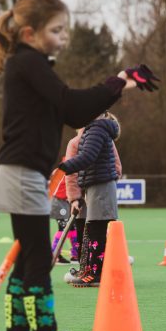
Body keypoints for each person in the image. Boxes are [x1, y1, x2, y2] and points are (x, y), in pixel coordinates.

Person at [0, 0, 141, 331]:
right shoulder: (28, 62)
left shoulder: (28, 63)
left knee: (28, 263)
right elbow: (73, 106)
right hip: (21, 173)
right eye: (56, 30)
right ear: (29, 33)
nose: (63, 37)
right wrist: (119, 81)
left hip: (24, 173)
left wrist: (117, 84)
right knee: (38, 262)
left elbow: (68, 105)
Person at [59, 112, 122, 287]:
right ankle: (88, 269)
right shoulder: (88, 136)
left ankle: (96, 272)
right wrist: (75, 198)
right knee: (87, 230)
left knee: (97, 229)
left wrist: (63, 168)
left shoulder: (96, 132)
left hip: (98, 186)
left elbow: (89, 161)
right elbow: (74, 176)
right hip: (87, 188)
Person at [48, 163, 74, 265]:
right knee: (63, 227)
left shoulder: (61, 169)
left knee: (71, 227)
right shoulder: (66, 170)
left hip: (62, 202)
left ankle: (75, 254)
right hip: (58, 203)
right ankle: (55, 255)